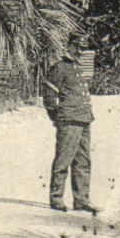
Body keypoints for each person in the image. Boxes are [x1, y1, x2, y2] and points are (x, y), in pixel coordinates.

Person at [40, 37, 97, 213]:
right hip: (69, 120)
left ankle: (81, 200)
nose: (79, 51)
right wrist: (57, 117)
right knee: (64, 160)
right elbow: (49, 96)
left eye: (82, 48)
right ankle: (56, 198)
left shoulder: (77, 68)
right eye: (77, 46)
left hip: (84, 119)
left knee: (83, 161)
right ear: (69, 46)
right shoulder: (60, 68)